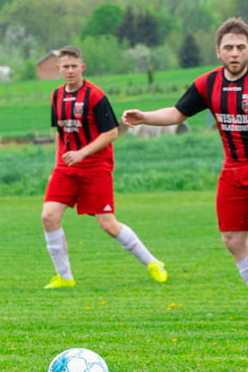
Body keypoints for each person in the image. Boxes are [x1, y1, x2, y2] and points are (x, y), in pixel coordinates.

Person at [122, 17, 248, 315]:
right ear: (218, 51)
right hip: (233, 168)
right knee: (232, 239)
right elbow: (176, 113)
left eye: (240, 47)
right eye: (228, 48)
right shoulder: (207, 84)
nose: (234, 53)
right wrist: (144, 117)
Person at [41, 45, 167, 289]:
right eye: (65, 67)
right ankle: (64, 277)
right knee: (48, 216)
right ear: (58, 69)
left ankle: (153, 262)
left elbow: (111, 132)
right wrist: (57, 165)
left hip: (95, 166)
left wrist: (82, 153)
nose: (69, 71)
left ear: (82, 67)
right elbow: (60, 133)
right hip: (66, 168)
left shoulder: (95, 95)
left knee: (108, 224)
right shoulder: (56, 96)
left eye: (73, 66)